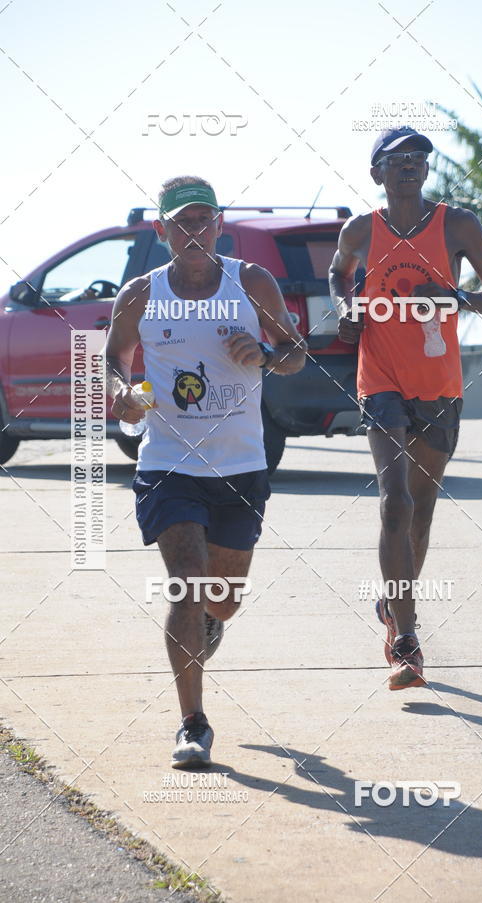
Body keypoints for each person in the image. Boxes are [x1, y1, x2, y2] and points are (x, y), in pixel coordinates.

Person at [106, 176, 306, 766]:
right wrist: (124, 393)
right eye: (181, 223)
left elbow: (296, 353)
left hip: (241, 466)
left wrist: (267, 354)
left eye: (203, 221)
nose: (193, 232)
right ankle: (192, 723)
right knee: (187, 582)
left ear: (219, 224)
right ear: (162, 230)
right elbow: (115, 360)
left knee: (222, 598)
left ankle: (211, 624)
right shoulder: (141, 293)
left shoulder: (251, 282)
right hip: (169, 461)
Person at [329, 127, 482, 690]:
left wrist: (453, 299)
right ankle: (407, 641)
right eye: (398, 159)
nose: (411, 166)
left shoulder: (456, 225)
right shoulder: (360, 230)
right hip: (380, 376)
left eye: (420, 159)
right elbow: (339, 272)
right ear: (376, 172)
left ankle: (393, 605)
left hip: (438, 384)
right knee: (396, 502)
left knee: (423, 510)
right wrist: (347, 307)